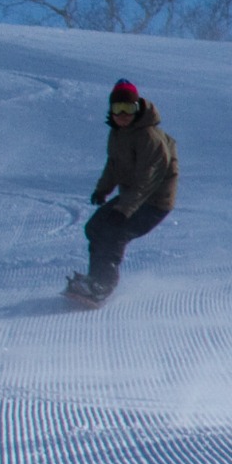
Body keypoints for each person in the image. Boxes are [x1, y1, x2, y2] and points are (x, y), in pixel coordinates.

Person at [68, 79, 177, 306]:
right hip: (134, 198)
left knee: (115, 233)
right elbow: (114, 165)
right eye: (118, 109)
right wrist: (102, 190)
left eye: (129, 109)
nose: (123, 115)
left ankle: (103, 285)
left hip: (154, 201)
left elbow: (149, 180)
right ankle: (94, 279)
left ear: (138, 109)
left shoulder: (149, 138)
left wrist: (124, 209)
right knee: (95, 227)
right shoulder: (119, 134)